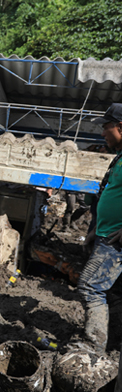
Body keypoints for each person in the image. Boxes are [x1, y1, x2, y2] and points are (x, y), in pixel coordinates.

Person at [77, 103, 122, 352]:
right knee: (111, 293)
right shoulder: (120, 156)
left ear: (121, 127)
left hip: (116, 241)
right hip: (107, 234)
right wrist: (96, 229)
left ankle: (92, 348)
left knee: (90, 286)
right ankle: (112, 345)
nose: (103, 133)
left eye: (106, 128)